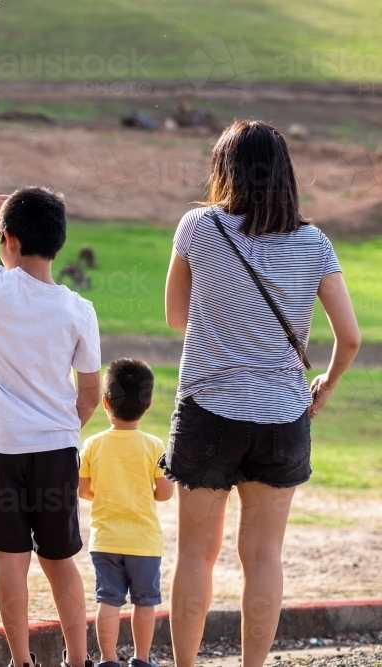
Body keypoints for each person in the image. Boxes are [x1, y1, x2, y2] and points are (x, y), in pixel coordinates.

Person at [162, 119, 361, 667]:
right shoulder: (315, 242)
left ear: (224, 169)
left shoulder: (198, 228)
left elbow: (177, 316)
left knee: (196, 556)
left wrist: (223, 322)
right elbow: (350, 337)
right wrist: (325, 384)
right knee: (264, 556)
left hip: (208, 410)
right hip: (282, 418)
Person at [0, 187, 102, 667]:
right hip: (54, 451)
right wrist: (59, 429)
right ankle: (77, 659)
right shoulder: (78, 309)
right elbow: (90, 393)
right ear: (58, 244)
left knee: (11, 559)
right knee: (59, 560)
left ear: (7, 239)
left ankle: (22, 660)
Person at [78, 358, 173, 667]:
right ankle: (141, 659)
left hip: (105, 539)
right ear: (147, 405)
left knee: (108, 600)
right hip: (144, 542)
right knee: (145, 603)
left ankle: (107, 659)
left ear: (106, 402)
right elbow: (165, 494)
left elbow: (82, 489)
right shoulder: (154, 446)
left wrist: (104, 493)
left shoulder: (92, 445)